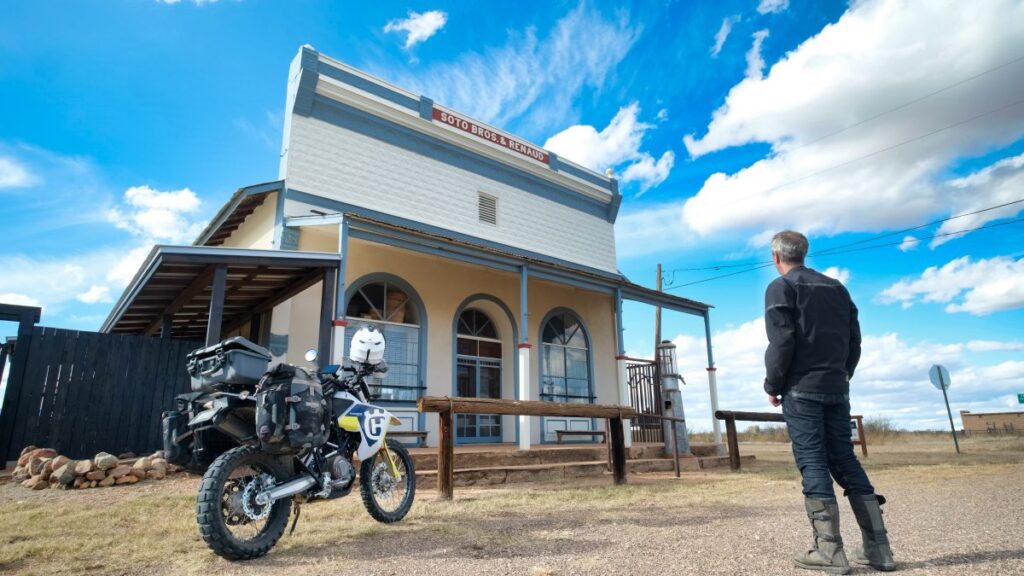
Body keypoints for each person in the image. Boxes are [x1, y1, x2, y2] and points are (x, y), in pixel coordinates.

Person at [763, 230, 895, 574]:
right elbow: (855, 339)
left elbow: (782, 342)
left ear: (776, 257)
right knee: (845, 461)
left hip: (801, 388)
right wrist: (844, 373)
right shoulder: (838, 288)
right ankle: (879, 550)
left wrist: (773, 383)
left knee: (813, 462)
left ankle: (829, 552)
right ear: (803, 254)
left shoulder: (782, 287)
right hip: (837, 387)